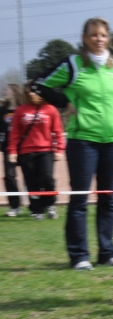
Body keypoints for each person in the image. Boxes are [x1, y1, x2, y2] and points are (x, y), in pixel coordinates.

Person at [32, 17, 113, 270]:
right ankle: (79, 256)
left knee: (108, 199)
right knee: (80, 199)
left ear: (108, 38)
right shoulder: (72, 64)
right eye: (93, 35)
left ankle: (107, 253)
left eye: (103, 35)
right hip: (83, 141)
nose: (98, 39)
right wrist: (64, 103)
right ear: (84, 38)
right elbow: (38, 84)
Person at [7, 81, 64, 220]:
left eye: (33, 91)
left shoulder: (51, 109)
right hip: (26, 152)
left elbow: (58, 131)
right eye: (28, 92)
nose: (31, 94)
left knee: (47, 179)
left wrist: (59, 149)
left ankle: (50, 205)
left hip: (46, 150)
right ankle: (36, 209)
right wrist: (12, 151)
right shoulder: (21, 110)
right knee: (32, 182)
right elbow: (14, 133)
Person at [1, 83, 27, 217]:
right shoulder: (2, 110)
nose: (4, 91)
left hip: (25, 147)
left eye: (7, 89)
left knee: (32, 177)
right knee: (9, 177)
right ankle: (15, 206)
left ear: (14, 92)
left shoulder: (23, 109)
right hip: (8, 149)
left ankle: (38, 206)